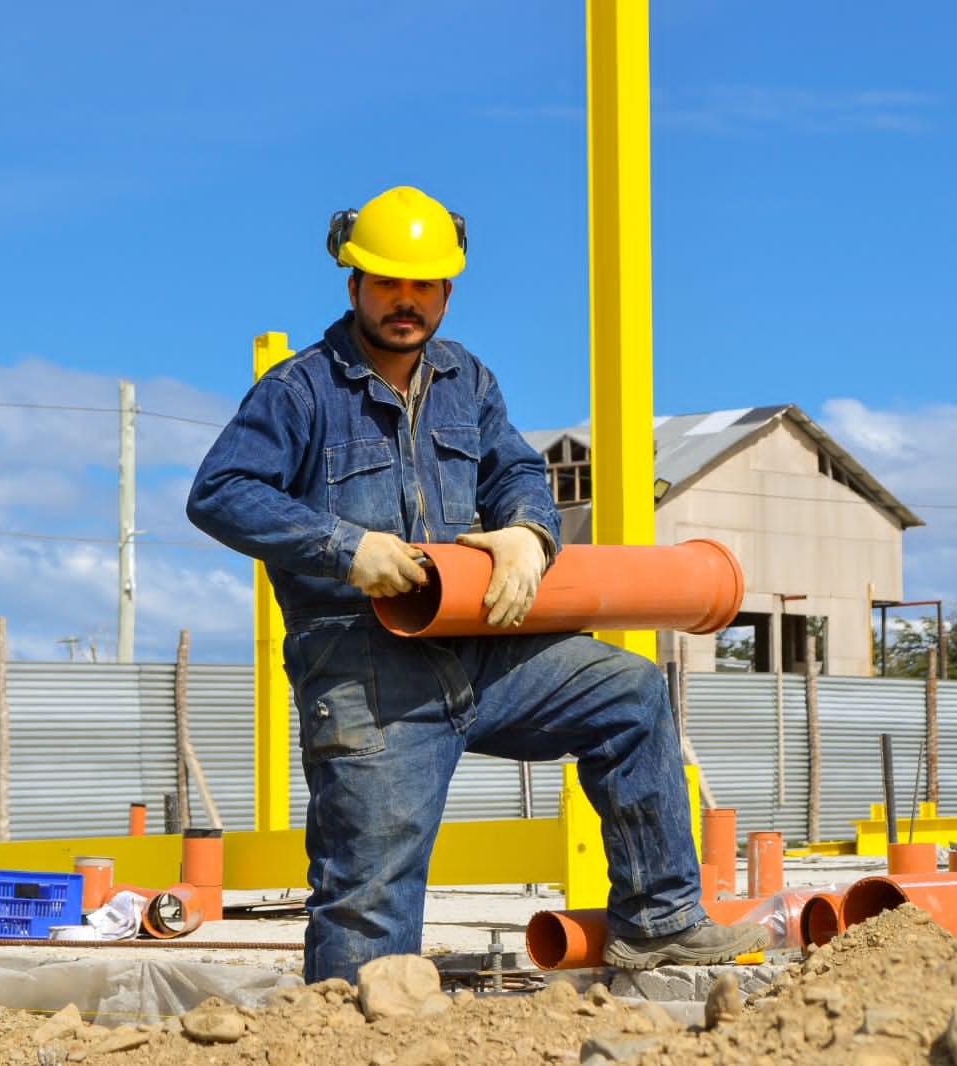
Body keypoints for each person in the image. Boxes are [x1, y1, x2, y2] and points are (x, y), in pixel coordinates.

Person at [186, 185, 765, 984]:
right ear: (352, 284)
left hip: (486, 650)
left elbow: (519, 470)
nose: (406, 302)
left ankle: (657, 921)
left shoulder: (468, 381)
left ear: (447, 292)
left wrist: (530, 531)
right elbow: (220, 494)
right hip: (366, 669)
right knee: (370, 908)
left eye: (424, 286)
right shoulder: (301, 390)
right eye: (389, 283)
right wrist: (343, 547)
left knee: (628, 694)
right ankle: (354, 1024)